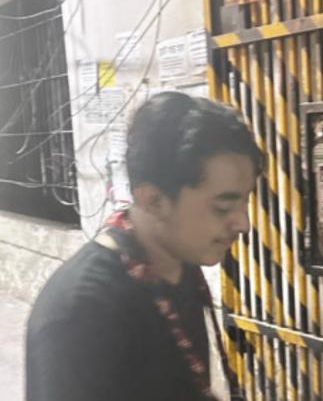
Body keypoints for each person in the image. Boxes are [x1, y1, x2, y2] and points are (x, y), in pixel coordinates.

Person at [26, 92, 261, 401]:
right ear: (153, 200)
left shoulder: (178, 266)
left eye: (244, 201)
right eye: (223, 207)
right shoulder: (81, 313)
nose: (243, 223)